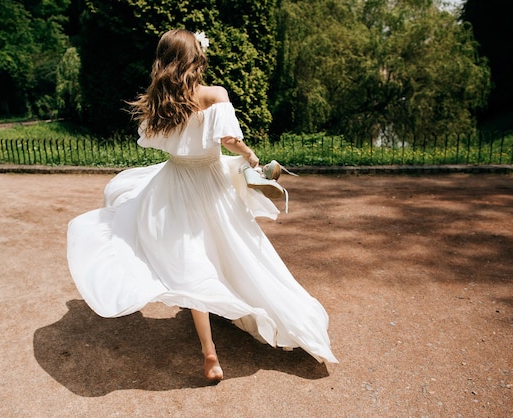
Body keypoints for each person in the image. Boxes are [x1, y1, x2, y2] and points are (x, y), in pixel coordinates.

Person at [66, 29, 337, 382]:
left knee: (189, 260)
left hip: (173, 184)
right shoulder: (214, 95)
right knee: (239, 248)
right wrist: (251, 157)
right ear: (196, 57)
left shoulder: (158, 100)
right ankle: (267, 315)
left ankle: (210, 355)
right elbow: (229, 140)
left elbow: (159, 143)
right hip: (210, 183)